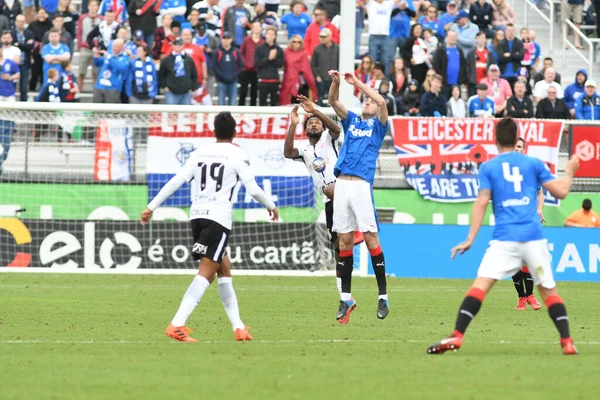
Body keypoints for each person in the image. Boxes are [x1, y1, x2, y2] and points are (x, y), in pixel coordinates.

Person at [427, 117, 581, 356]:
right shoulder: (534, 163)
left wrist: (470, 238)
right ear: (516, 137)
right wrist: (569, 171)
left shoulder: (488, 167)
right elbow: (560, 191)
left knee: (481, 286)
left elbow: (481, 203)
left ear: (495, 139)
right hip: (532, 236)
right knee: (549, 292)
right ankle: (568, 341)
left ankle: (457, 336)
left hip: (504, 238)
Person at [140, 111, 279, 343]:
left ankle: (238, 327)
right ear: (235, 133)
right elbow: (253, 190)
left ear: (213, 132)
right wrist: (271, 206)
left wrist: (151, 206)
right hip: (218, 217)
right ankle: (177, 324)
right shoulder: (238, 154)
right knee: (206, 274)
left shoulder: (199, 153)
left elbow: (177, 181)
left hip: (197, 216)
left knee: (224, 271)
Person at [327, 69, 390, 323]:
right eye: (366, 99)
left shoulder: (378, 128)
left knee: (370, 237)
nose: (369, 101)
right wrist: (337, 83)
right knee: (343, 241)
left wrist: (359, 84)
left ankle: (383, 296)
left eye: (371, 100)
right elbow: (333, 102)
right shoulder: (352, 121)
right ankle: (346, 298)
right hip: (341, 184)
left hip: (361, 186)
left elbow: (383, 102)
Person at [284, 97, 347, 300]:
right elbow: (287, 152)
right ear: (305, 129)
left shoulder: (330, 139)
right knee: (338, 249)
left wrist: (316, 110)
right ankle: (344, 294)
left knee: (332, 189)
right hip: (329, 203)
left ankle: (358, 228)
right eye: (310, 122)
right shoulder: (305, 151)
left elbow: (336, 128)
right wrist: (292, 126)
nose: (314, 124)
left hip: (344, 194)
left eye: (317, 122)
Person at [511, 137, 544, 311]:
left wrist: (539, 210)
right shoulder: (503, 169)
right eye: (514, 146)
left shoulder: (531, 170)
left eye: (519, 147)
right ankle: (522, 297)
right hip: (510, 222)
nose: (517, 149)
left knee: (529, 260)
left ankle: (529, 295)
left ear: (524, 149)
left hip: (528, 221)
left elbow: (540, 193)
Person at [159, 37, 198, 105]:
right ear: (173, 45)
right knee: (171, 113)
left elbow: (194, 74)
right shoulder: (166, 60)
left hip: (186, 91)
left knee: (185, 114)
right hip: (171, 91)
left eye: (180, 44)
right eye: (176, 44)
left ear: (183, 45)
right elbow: (161, 74)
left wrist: (192, 87)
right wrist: (164, 86)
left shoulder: (189, 59)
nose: (178, 46)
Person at [280, 34, 317, 105]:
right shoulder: (286, 52)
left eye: (299, 42)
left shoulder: (303, 53)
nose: (296, 43)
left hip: (302, 84)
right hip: (288, 81)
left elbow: (306, 70)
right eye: (294, 41)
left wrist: (311, 84)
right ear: (291, 42)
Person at [92, 38, 130, 103]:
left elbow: (121, 68)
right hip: (100, 85)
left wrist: (110, 58)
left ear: (121, 47)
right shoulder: (109, 54)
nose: (113, 48)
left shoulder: (125, 58)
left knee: (110, 111)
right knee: (96, 109)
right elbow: (98, 63)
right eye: (113, 46)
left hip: (112, 87)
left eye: (116, 47)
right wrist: (96, 57)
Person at [254, 25, 284, 106]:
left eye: (272, 34)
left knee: (274, 103)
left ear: (275, 36)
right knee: (262, 103)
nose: (270, 35)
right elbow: (257, 64)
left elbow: (280, 64)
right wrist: (269, 58)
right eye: (269, 33)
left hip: (274, 80)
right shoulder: (259, 48)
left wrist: (274, 58)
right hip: (263, 80)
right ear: (265, 35)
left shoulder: (279, 49)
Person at [76, 0, 102, 92]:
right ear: (88, 7)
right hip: (85, 47)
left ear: (98, 7)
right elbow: (79, 32)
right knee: (81, 72)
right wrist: (80, 45)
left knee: (95, 73)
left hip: (96, 49)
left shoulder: (101, 19)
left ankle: (95, 93)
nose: (93, 8)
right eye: (91, 5)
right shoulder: (83, 18)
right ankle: (78, 92)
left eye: (95, 6)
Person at [432, 30, 467, 97]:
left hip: (457, 84)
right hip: (444, 84)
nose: (453, 38)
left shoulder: (459, 50)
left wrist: (462, 80)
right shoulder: (440, 50)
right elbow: (436, 66)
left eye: (454, 36)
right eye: (451, 36)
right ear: (447, 37)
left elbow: (463, 65)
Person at [213, 31, 242, 106]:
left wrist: (233, 75)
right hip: (221, 81)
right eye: (224, 38)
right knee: (221, 104)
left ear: (231, 39)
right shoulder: (217, 52)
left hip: (233, 81)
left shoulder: (236, 52)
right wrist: (222, 76)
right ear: (221, 39)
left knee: (232, 104)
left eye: (228, 38)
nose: (226, 40)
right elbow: (214, 67)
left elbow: (240, 66)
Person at [310, 27, 338, 106]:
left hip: (333, 80)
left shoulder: (337, 49)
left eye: (324, 36)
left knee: (334, 100)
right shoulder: (317, 49)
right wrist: (317, 76)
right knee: (320, 100)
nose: (321, 38)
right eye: (321, 36)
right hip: (321, 79)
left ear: (329, 37)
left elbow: (339, 63)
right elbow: (313, 64)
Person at [239, 21, 263, 106]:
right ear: (252, 29)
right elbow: (241, 53)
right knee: (243, 91)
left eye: (258, 27)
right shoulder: (246, 40)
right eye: (254, 27)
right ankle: (240, 110)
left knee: (254, 92)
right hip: (245, 69)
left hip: (257, 70)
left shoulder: (262, 42)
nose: (256, 29)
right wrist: (245, 63)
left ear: (261, 29)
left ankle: (253, 112)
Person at [11, 14, 33, 101]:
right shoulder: (11, 33)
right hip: (13, 63)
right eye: (19, 21)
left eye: (23, 21)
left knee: (24, 87)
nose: (21, 23)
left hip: (25, 63)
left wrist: (18, 45)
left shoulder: (29, 33)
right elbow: (11, 45)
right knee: (12, 85)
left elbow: (30, 47)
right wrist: (25, 45)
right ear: (16, 22)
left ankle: (24, 105)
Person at [466, 31, 493, 96]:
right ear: (476, 39)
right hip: (473, 83)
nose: (481, 39)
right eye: (479, 38)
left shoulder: (489, 53)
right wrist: (469, 78)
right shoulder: (471, 53)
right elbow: (467, 67)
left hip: (485, 82)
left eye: (483, 38)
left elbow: (492, 66)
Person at [496, 24, 523, 88]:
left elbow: (521, 56)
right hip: (503, 73)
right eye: (509, 30)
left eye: (512, 30)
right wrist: (515, 55)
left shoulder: (519, 42)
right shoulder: (501, 43)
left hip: (516, 73)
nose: (510, 32)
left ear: (514, 31)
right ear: (505, 31)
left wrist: (509, 55)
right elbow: (501, 58)